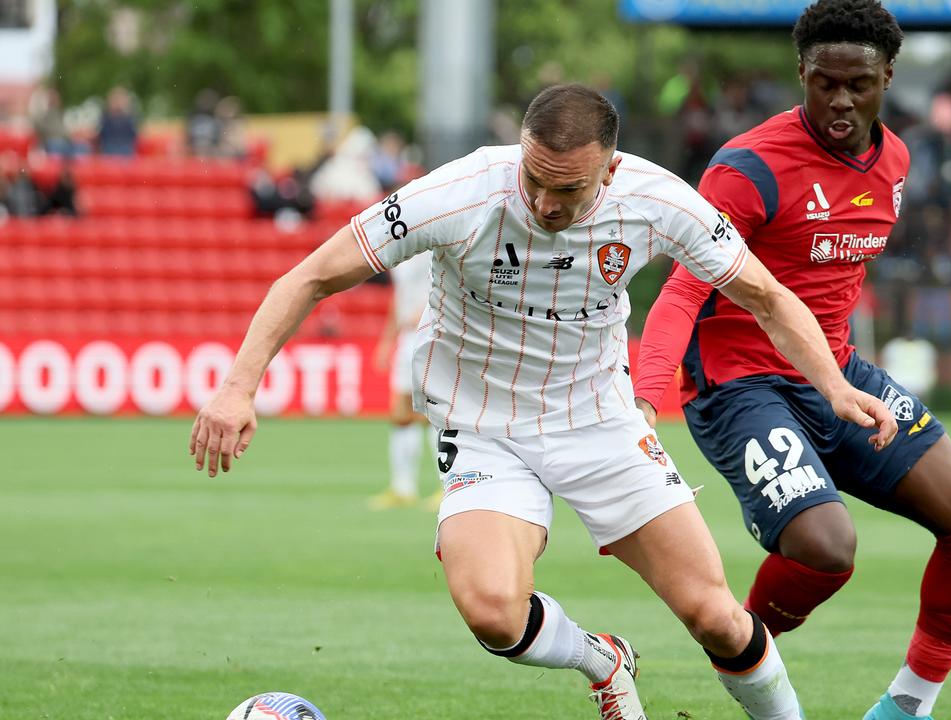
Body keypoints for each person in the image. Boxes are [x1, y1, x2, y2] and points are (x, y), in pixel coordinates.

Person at [188, 84, 898, 720]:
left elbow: (769, 296)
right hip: (480, 424)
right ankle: (603, 663)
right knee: (494, 613)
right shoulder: (461, 192)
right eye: (535, 181)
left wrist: (833, 388)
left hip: (599, 421)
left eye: (569, 191)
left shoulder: (658, 199)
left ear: (611, 170)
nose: (545, 204)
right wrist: (236, 387)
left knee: (715, 616)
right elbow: (309, 277)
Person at [633, 3, 951, 719]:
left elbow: (828, 285)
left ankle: (906, 707)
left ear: (889, 77)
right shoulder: (746, 170)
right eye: (824, 83)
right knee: (827, 548)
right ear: (800, 74)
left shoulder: (895, 160)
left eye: (858, 85)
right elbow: (682, 291)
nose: (840, 101)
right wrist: (647, 403)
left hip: (836, 375)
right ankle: (741, 649)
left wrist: (835, 377)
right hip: (740, 385)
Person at [368, 248, 442, 511]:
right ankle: (403, 487)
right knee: (401, 412)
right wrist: (388, 340)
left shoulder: (429, 248)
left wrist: (425, 311)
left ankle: (446, 486)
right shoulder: (401, 254)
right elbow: (399, 299)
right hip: (406, 337)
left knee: (431, 412)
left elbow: (446, 282)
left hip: (429, 333)